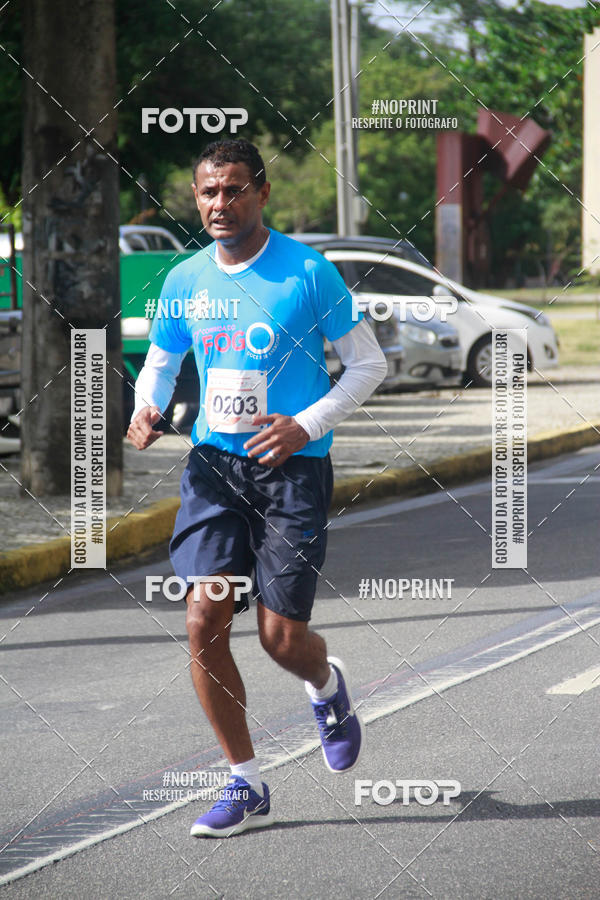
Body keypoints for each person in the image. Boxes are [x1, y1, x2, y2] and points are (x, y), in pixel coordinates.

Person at [127, 139, 386, 838]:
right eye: (209, 192)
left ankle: (325, 685)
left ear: (262, 193)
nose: (221, 203)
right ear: (196, 197)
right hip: (214, 468)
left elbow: (369, 365)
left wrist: (305, 425)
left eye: (235, 189)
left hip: (292, 471)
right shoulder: (185, 278)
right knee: (202, 620)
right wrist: (147, 407)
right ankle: (245, 782)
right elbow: (162, 361)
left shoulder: (308, 272)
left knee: (280, 638)